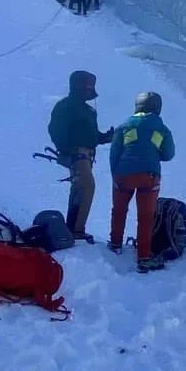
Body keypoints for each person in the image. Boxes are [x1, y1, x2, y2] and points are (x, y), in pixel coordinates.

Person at [108, 91, 176, 272]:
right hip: (150, 175)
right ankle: (144, 257)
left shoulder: (125, 126)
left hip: (124, 175)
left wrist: (116, 174)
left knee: (119, 210)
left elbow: (114, 152)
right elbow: (168, 154)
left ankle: (115, 244)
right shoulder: (161, 129)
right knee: (146, 217)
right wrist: (153, 154)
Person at [48, 70, 113, 242]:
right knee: (87, 187)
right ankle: (77, 231)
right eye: (87, 86)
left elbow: (91, 136)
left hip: (84, 155)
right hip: (77, 154)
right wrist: (65, 150)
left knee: (79, 189)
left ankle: (73, 228)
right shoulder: (66, 106)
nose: (89, 90)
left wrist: (106, 137)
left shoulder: (86, 110)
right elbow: (55, 129)